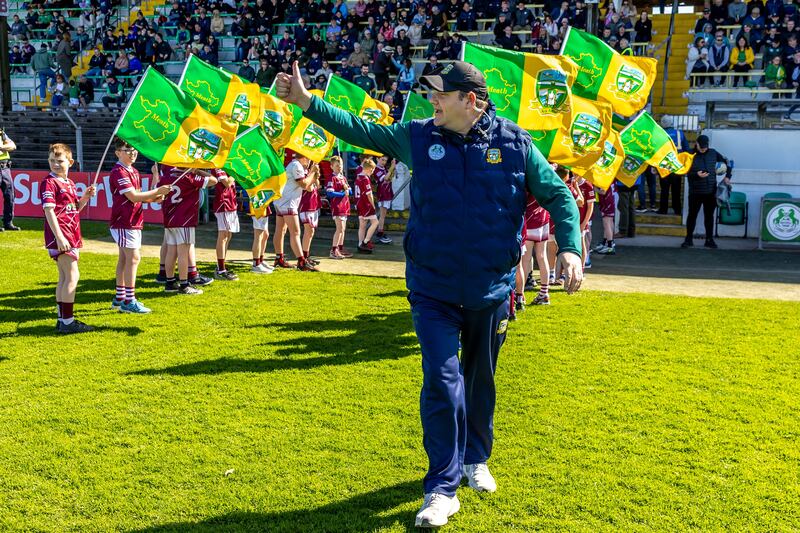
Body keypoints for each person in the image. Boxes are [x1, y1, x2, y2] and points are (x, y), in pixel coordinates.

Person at [276, 60, 582, 528]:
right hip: (432, 288)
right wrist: (307, 102)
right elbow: (362, 130)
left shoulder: (516, 143)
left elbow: (559, 195)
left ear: (470, 100)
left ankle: (476, 458)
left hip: (491, 288)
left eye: (440, 94)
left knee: (481, 379)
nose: (431, 102)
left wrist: (571, 248)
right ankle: (441, 488)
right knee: (442, 381)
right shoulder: (418, 136)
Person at [109, 139, 170, 313]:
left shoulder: (133, 171)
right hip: (124, 221)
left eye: (134, 149)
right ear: (118, 153)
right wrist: (157, 192)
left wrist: (155, 196)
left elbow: (141, 197)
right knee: (133, 258)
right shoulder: (118, 171)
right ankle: (129, 300)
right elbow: (134, 196)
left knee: (125, 258)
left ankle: (120, 297)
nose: (132, 152)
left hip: (133, 220)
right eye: (127, 149)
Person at [41, 143, 97, 334]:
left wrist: (85, 197)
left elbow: (74, 209)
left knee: (64, 276)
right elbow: (49, 210)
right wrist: (59, 236)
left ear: (70, 162)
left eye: (60, 160)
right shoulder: (49, 182)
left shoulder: (70, 183)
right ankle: (68, 321)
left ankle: (61, 318)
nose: (55, 164)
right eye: (52, 161)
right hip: (62, 235)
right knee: (72, 276)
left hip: (71, 232)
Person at [160, 165, 218, 294]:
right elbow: (214, 180)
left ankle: (169, 282)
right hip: (185, 219)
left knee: (171, 251)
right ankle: (184, 284)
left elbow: (158, 194)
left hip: (170, 218)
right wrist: (197, 170)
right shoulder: (189, 177)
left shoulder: (167, 175)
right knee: (183, 253)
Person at [682, 135, 732, 249]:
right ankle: (688, 239)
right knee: (692, 216)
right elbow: (683, 171)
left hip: (710, 192)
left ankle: (709, 240)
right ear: (696, 143)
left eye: (706, 147)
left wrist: (728, 176)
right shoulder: (689, 154)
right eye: (702, 147)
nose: (704, 149)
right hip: (695, 192)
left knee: (709, 217)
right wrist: (696, 175)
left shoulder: (713, 153)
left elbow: (728, 163)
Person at [272, 153, 320, 271]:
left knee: (281, 230)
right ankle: (301, 262)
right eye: (308, 159)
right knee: (295, 232)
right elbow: (304, 184)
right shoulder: (296, 165)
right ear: (304, 157)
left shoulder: (295, 165)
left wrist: (313, 175)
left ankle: (279, 258)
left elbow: (309, 187)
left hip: (282, 201)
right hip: (288, 203)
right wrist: (313, 172)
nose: (309, 162)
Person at [522, 193, 552, 305]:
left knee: (526, 258)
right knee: (542, 256)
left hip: (530, 220)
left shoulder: (531, 178)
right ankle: (544, 293)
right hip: (543, 218)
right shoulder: (546, 179)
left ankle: (519, 294)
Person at [212, 168, 240, 281]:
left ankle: (222, 264)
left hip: (231, 202)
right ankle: (220, 269)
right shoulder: (219, 166)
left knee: (228, 235)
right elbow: (227, 183)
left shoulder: (227, 166)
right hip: (223, 203)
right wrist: (235, 172)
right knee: (223, 236)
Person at [658, 115, 688, 216]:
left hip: (664, 166)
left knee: (664, 189)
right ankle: (677, 210)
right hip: (676, 167)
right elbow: (687, 149)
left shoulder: (659, 134)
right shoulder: (680, 134)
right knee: (676, 189)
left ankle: (663, 210)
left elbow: (656, 151)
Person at [326, 155, 352, 259]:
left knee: (343, 229)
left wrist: (346, 189)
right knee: (339, 228)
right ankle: (333, 250)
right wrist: (342, 193)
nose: (339, 167)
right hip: (337, 206)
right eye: (337, 165)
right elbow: (330, 193)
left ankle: (340, 248)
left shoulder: (343, 178)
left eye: (340, 165)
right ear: (332, 166)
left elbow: (350, 191)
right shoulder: (332, 178)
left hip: (345, 206)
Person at [298, 161, 322, 266]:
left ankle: (306, 255)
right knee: (309, 230)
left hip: (313, 205)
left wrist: (316, 175)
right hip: (305, 205)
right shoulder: (303, 174)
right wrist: (312, 173)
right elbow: (309, 188)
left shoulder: (310, 173)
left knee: (311, 232)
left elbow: (318, 186)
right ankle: (304, 257)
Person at [354, 158, 379, 253]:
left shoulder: (358, 177)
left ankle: (360, 244)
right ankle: (365, 241)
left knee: (362, 225)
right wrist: (373, 205)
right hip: (365, 205)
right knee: (375, 222)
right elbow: (369, 194)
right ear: (368, 168)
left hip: (359, 204)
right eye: (372, 169)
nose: (372, 172)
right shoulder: (365, 178)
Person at [0, 129, 19, 232]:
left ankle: (8, 222)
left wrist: (1, 147)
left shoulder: (1, 133)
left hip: (5, 168)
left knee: (10, 196)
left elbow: (12, 146)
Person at [250, 203, 274, 274]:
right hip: (257, 202)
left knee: (265, 234)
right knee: (259, 235)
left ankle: (260, 260)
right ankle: (256, 264)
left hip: (264, 202)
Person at [593, 183, 617, 255]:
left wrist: (594, 188)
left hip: (607, 201)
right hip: (611, 200)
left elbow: (603, 192)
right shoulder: (610, 176)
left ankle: (610, 246)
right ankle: (606, 243)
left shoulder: (606, 178)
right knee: (609, 222)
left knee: (606, 223)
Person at [375, 158, 394, 244]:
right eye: (382, 160)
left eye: (385, 161)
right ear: (377, 159)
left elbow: (389, 178)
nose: (384, 162)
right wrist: (392, 167)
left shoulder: (384, 169)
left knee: (383, 215)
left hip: (387, 192)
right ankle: (380, 233)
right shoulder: (376, 169)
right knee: (382, 215)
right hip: (382, 193)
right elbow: (385, 178)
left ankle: (380, 232)